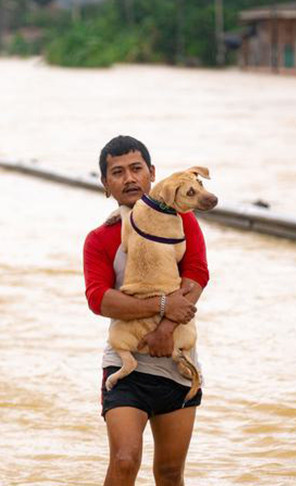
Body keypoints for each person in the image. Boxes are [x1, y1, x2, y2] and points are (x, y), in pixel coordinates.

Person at [83, 135, 210, 486]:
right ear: (106, 185)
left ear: (152, 174)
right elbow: (100, 299)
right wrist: (164, 305)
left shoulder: (184, 222)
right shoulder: (100, 238)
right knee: (124, 461)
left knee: (170, 474)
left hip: (177, 362)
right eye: (118, 172)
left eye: (137, 169)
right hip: (126, 366)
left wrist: (165, 328)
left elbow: (197, 275)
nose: (130, 179)